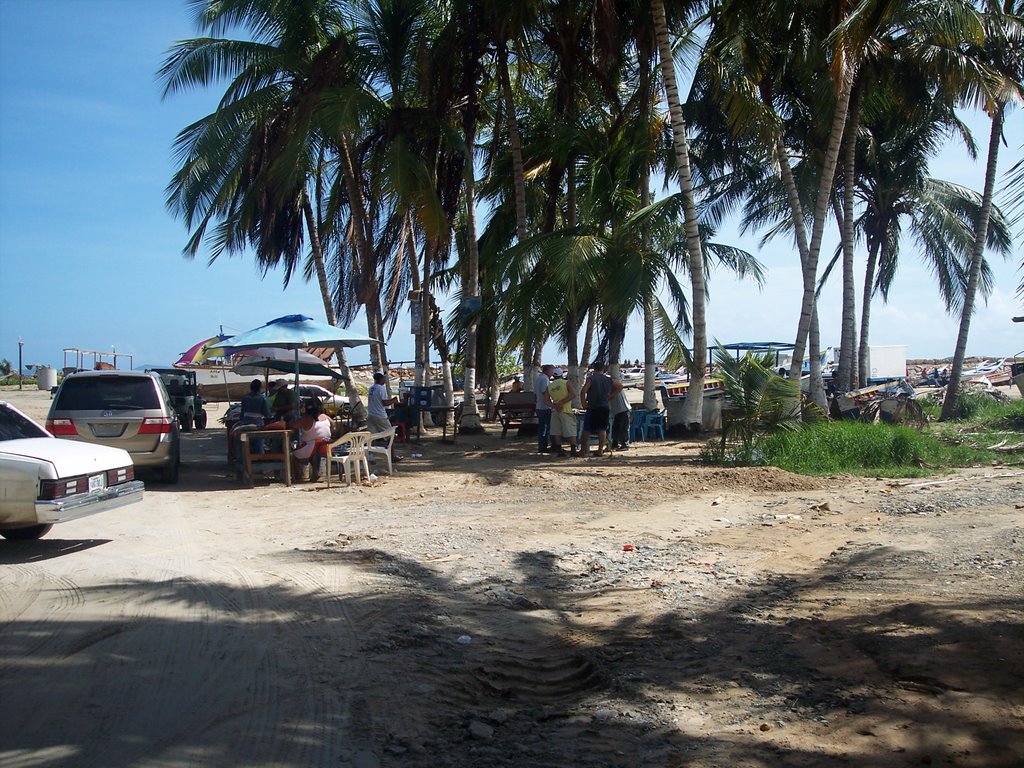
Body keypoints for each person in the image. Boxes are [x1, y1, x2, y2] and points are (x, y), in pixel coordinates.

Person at [579, 362, 622, 457]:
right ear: (603, 369)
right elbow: (620, 386)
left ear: (594, 369)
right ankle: (600, 450)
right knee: (602, 429)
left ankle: (582, 450)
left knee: (587, 429)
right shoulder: (608, 379)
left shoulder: (591, 379)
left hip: (592, 406)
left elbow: (583, 391)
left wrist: (583, 404)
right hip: (604, 406)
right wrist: (611, 395)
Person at [289, 398, 332, 481]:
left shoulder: (306, 419)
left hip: (311, 447)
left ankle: (298, 477)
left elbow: (293, 425)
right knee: (313, 453)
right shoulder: (325, 417)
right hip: (327, 446)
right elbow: (333, 424)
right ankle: (315, 474)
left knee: (292, 455)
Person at [367, 371, 402, 463]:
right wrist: (394, 400)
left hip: (371, 415)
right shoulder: (381, 389)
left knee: (371, 438)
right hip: (380, 416)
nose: (385, 379)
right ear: (381, 378)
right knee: (391, 435)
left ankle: (370, 457)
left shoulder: (371, 388)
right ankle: (392, 457)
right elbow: (385, 403)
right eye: (384, 378)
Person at [545, 367, 578, 457]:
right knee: (571, 430)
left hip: (555, 411)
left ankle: (559, 450)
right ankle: (573, 450)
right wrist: (562, 402)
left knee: (556, 431)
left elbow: (546, 400)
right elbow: (573, 394)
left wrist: (555, 405)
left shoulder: (550, 386)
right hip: (566, 410)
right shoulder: (566, 383)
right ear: (561, 375)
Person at [534, 364, 553, 454]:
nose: (552, 373)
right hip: (544, 407)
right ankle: (543, 446)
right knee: (545, 427)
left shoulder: (539, 378)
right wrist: (552, 403)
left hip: (539, 406)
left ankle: (543, 445)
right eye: (551, 371)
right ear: (547, 370)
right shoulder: (544, 379)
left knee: (543, 427)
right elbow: (545, 392)